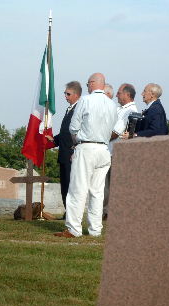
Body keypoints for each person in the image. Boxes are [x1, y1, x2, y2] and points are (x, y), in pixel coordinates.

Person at [55, 73, 117, 238]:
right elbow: (116, 129)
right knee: (97, 191)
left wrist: (76, 142)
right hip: (103, 149)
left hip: (87, 147)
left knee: (78, 189)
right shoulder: (112, 104)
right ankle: (95, 229)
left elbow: (74, 126)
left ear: (91, 83)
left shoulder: (85, 100)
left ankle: (74, 228)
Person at [45, 81, 82, 219]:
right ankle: (68, 211)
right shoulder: (70, 109)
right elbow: (66, 132)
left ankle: (72, 213)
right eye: (65, 93)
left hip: (71, 153)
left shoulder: (79, 109)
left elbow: (76, 132)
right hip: (64, 153)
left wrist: (74, 150)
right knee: (64, 184)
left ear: (77, 95)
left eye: (68, 93)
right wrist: (54, 140)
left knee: (70, 185)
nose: (65, 96)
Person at [103, 84, 138, 220]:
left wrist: (98, 138)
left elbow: (116, 132)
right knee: (106, 185)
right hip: (110, 151)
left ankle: (110, 213)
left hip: (116, 152)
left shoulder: (130, 111)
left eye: (119, 93)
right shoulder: (121, 109)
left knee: (112, 185)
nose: (116, 96)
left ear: (127, 94)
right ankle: (106, 212)